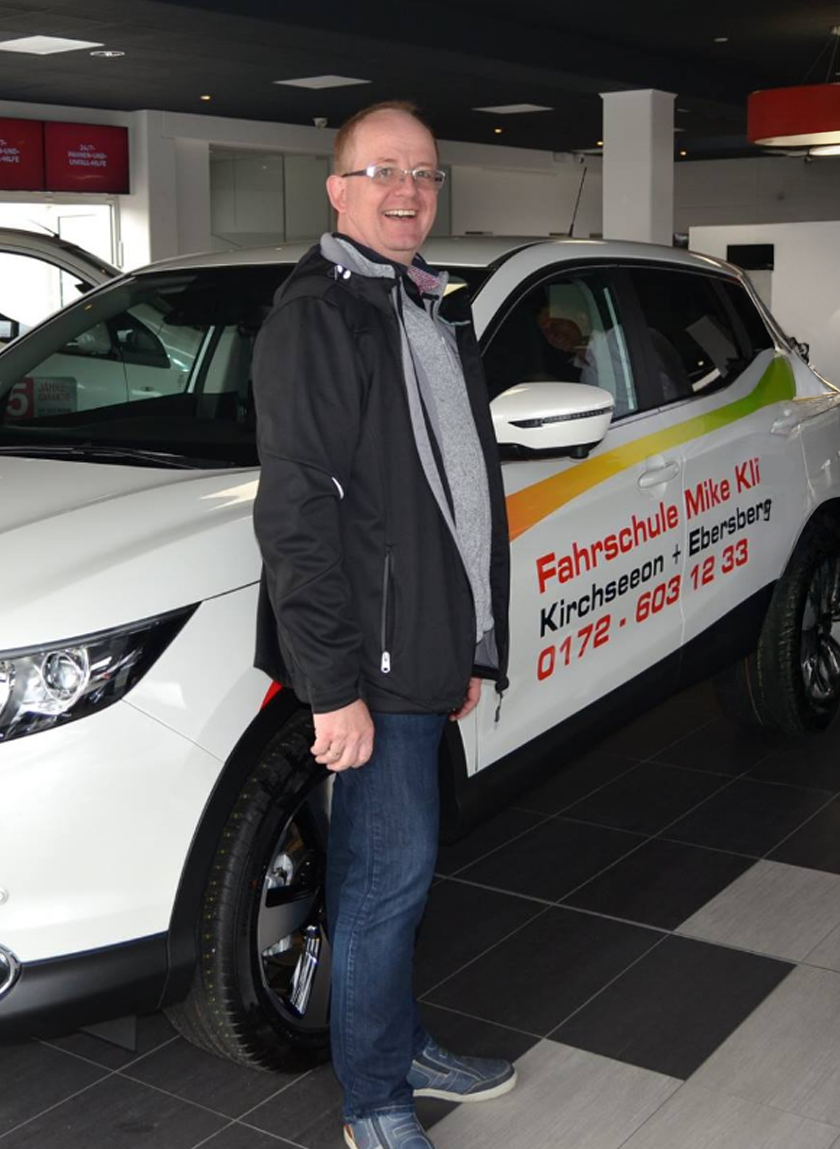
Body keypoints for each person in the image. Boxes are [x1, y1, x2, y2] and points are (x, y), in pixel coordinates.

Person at [252, 102, 514, 1149]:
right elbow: (296, 514)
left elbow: (451, 493)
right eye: (384, 171)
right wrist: (333, 688)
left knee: (399, 879)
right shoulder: (320, 315)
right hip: (370, 664)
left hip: (420, 650)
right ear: (338, 189)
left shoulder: (421, 304)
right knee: (380, 887)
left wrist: (470, 642)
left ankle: (400, 1046)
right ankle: (374, 1102)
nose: (408, 190)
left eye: (425, 172)